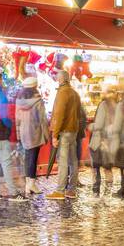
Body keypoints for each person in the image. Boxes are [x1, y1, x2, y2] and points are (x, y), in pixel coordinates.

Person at [45, 69, 84, 200]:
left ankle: (60, 190)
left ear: (60, 79)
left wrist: (55, 134)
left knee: (62, 161)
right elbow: (79, 114)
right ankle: (71, 190)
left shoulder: (62, 93)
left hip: (64, 132)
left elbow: (59, 115)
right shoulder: (74, 93)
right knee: (73, 161)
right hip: (73, 131)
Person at [14, 78, 50, 196]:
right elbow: (43, 120)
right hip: (35, 133)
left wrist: (18, 134)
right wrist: (46, 135)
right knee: (32, 159)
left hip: (24, 133)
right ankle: (31, 185)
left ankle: (28, 184)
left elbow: (17, 120)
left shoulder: (19, 101)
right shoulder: (38, 101)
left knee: (28, 158)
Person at [89, 89, 118, 196]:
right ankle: (108, 194)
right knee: (107, 168)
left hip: (99, 141)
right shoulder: (116, 106)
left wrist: (91, 126)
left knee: (95, 167)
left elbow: (99, 125)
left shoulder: (103, 105)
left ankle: (96, 193)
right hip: (111, 142)